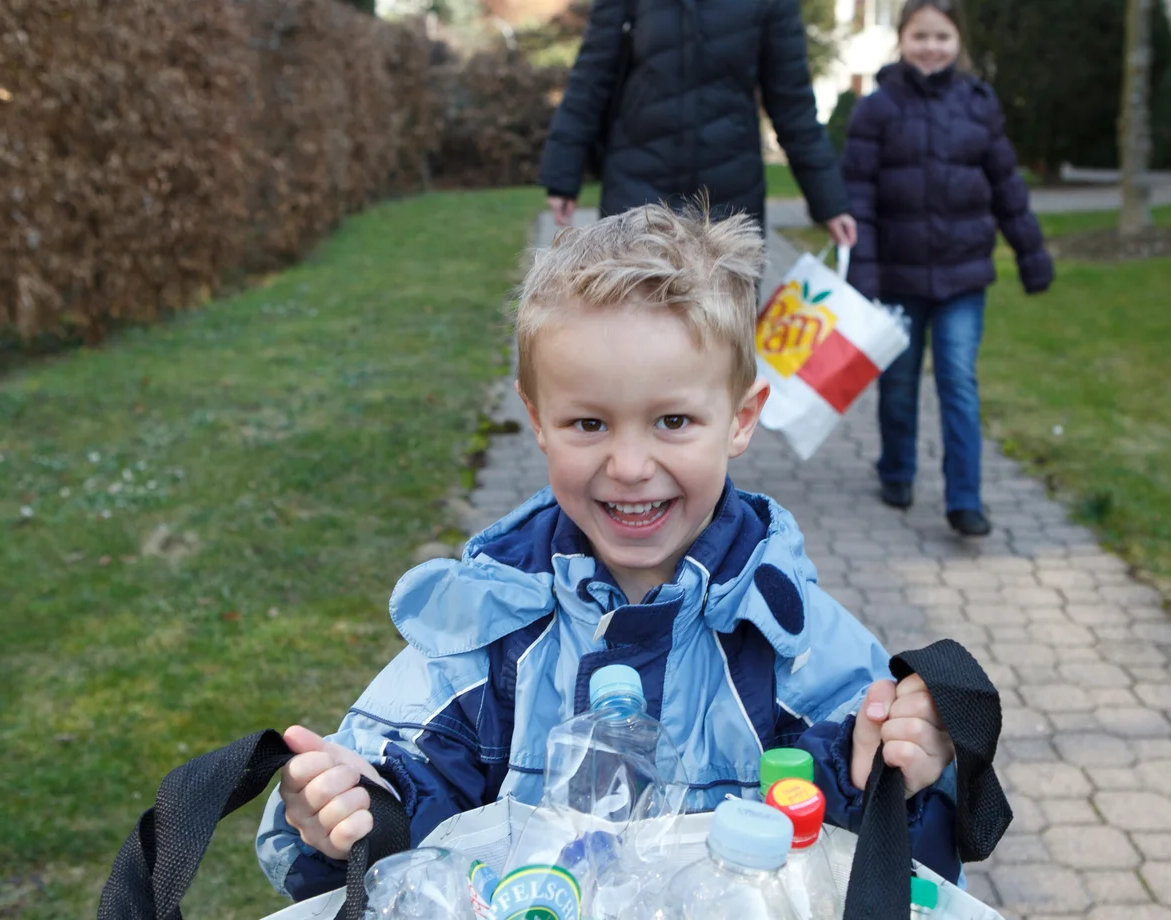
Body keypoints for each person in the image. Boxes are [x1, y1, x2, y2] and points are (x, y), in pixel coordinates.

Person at [254, 205, 966, 901]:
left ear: (741, 418)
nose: (628, 466)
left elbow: (897, 875)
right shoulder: (486, 627)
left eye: (672, 420)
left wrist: (905, 779)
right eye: (589, 423)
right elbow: (401, 813)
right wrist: (353, 809)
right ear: (537, 420)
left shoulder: (793, 643)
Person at [841, 0, 1054, 538]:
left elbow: (1007, 187)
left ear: (958, 42)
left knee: (958, 380)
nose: (931, 47)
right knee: (899, 383)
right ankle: (896, 470)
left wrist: (1031, 256)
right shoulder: (877, 109)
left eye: (942, 37)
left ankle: (965, 499)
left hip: (963, 279)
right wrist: (864, 277)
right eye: (920, 36)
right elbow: (857, 197)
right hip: (898, 277)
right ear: (902, 40)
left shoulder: (979, 104)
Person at [537, 0, 857, 250]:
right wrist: (563, 174)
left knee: (721, 314)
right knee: (632, 309)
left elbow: (793, 106)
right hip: (636, 187)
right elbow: (591, 80)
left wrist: (830, 202)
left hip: (730, 198)